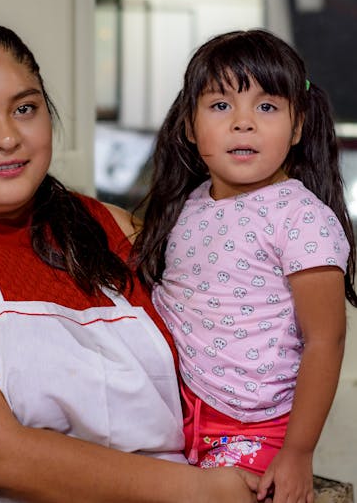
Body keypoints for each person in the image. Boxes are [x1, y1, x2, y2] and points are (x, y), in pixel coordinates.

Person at [0, 23, 259, 503]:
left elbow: (234, 348)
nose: (6, 138)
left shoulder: (113, 229)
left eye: (24, 109)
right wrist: (197, 491)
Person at [132, 29, 357, 503]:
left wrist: (298, 453)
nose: (243, 123)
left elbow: (326, 339)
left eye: (267, 107)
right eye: (220, 106)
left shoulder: (301, 218)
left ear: (297, 128)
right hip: (174, 416)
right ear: (189, 127)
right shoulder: (189, 204)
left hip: (255, 427)